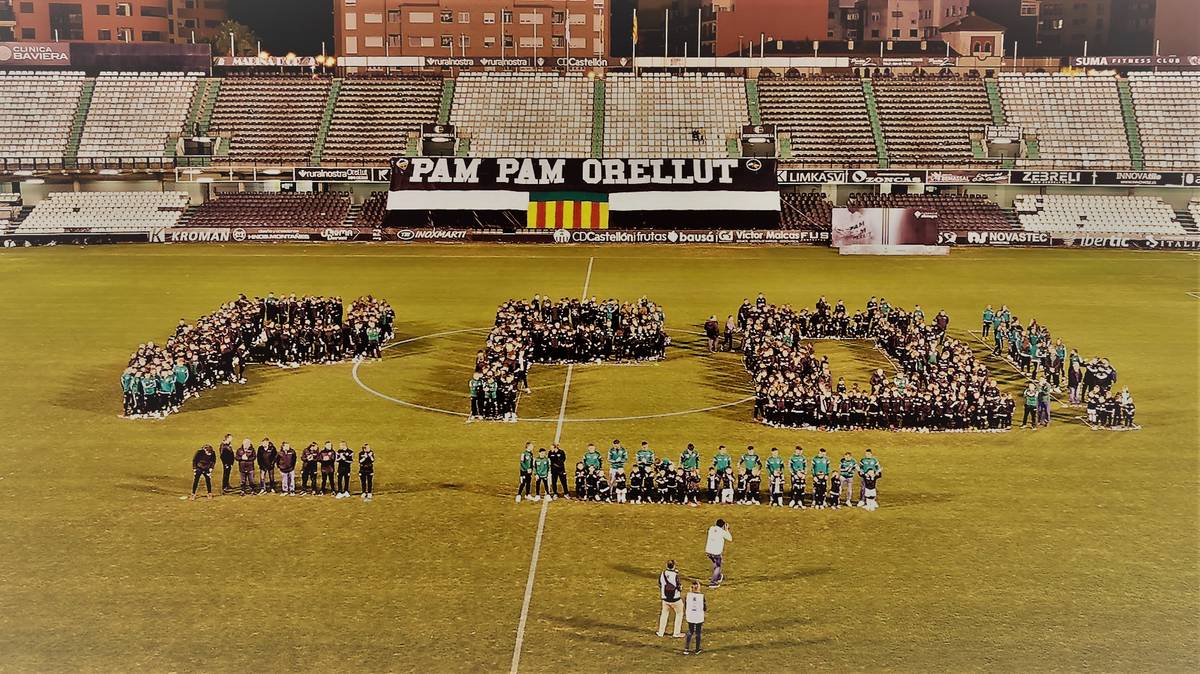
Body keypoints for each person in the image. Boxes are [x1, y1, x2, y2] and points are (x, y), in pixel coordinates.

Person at [657, 560, 685, 638]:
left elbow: (659, 583)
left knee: (664, 614)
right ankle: (676, 633)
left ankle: (661, 632)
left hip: (665, 598)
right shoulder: (675, 575)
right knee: (679, 614)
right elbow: (679, 586)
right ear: (674, 566)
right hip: (675, 598)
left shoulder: (663, 574)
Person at [705, 519, 732, 588]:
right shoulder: (722, 532)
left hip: (708, 551)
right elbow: (730, 538)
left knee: (715, 564)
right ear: (723, 525)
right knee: (718, 566)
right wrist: (726, 530)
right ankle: (713, 583)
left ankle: (719, 576)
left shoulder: (711, 528)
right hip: (716, 553)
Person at [683, 580, 706, 655]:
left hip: (690, 616)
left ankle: (686, 648)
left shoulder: (688, 595)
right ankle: (697, 649)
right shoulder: (701, 596)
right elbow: (705, 608)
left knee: (690, 631)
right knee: (698, 632)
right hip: (698, 616)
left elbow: (686, 605)